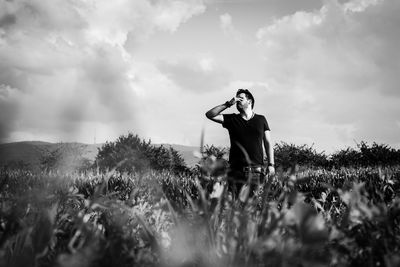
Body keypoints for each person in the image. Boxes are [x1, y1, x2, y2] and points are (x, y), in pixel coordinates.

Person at [205, 89, 275, 199]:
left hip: (256, 172)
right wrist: (228, 104)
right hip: (235, 172)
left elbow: (268, 143)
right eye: (236, 99)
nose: (237, 101)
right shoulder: (232, 119)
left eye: (241, 99)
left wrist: (271, 165)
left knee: (252, 208)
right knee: (234, 208)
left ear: (250, 101)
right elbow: (210, 115)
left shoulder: (261, 119)